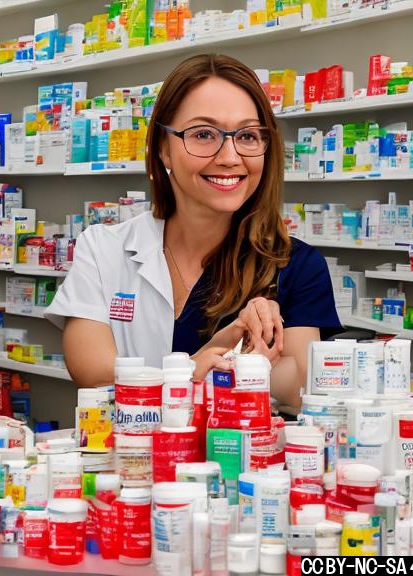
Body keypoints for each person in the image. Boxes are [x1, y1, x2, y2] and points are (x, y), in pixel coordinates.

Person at [46, 53, 342, 408]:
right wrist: (194, 367)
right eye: (204, 134)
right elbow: (92, 373)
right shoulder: (103, 248)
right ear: (163, 149)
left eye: (247, 136)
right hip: (128, 456)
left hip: (236, 458)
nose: (230, 156)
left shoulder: (295, 264)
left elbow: (302, 390)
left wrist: (245, 352)